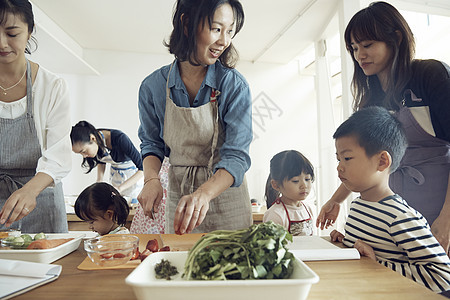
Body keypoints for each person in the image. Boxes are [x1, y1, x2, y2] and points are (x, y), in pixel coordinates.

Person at [317, 1, 450, 254]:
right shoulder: (370, 98)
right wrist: (336, 200)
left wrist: (447, 219)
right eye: (354, 48)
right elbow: (364, 159)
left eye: (367, 45)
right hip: (392, 213)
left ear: (396, 39)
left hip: (439, 207)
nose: (359, 55)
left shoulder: (430, 76)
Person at [138, 0, 253, 235]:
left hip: (226, 195)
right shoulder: (153, 87)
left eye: (230, 31)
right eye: (216, 28)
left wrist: (204, 194)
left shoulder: (233, 85)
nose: (224, 41)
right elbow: (152, 144)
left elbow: (236, 157)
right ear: (187, 23)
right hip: (180, 194)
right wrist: (151, 180)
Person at [330, 106, 450, 294]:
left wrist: (378, 263)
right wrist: (344, 243)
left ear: (382, 161)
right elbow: (365, 252)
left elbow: (443, 275)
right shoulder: (357, 206)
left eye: (347, 158)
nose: (339, 168)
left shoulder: (400, 217)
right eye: (338, 159)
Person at [0, 0, 71, 232]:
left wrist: (30, 190)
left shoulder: (52, 86)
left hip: (41, 198)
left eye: (12, 33)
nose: (2, 43)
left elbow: (59, 155)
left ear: (30, 30)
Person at [71, 120, 144, 201]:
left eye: (84, 151)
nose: (84, 156)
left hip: (132, 182)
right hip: (116, 179)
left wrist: (119, 188)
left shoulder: (120, 138)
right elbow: (102, 160)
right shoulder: (97, 139)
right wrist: (99, 180)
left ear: (93, 138)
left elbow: (142, 169)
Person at [263, 150, 315, 236]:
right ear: (276, 185)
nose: (304, 185)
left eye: (307, 179)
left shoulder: (308, 209)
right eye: (295, 181)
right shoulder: (275, 214)